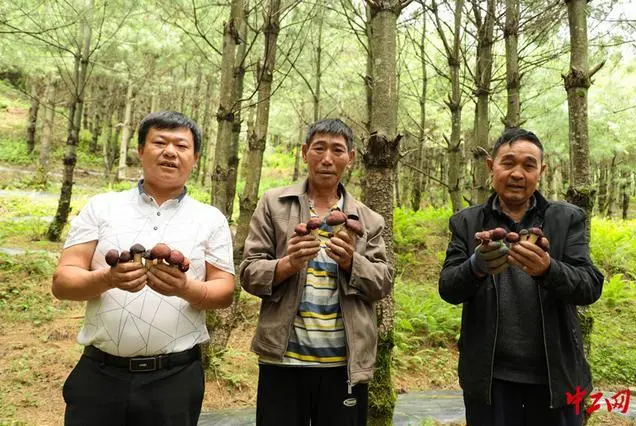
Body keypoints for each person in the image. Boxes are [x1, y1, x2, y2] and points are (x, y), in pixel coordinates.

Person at [52, 111, 235, 426]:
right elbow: (63, 281)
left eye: (181, 145)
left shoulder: (211, 219)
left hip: (175, 379)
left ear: (196, 158)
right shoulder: (102, 207)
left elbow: (225, 291)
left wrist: (186, 287)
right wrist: (107, 278)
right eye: (159, 142)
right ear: (140, 150)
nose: (169, 152)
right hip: (100, 375)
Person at [439, 128, 604, 426]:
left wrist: (548, 270)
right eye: (508, 163)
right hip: (490, 380)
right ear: (491, 166)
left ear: (541, 171)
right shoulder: (467, 223)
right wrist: (475, 265)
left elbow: (590, 285)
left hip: (557, 377)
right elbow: (448, 289)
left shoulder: (566, 219)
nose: (517, 173)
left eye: (528, 165)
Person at [239, 118, 393, 426]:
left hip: (344, 365)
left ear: (350, 158)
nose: (327, 159)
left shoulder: (369, 220)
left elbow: (382, 282)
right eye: (319, 148)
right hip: (282, 361)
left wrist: (352, 263)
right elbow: (248, 272)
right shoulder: (274, 203)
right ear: (304, 152)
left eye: (337, 150)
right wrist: (287, 265)